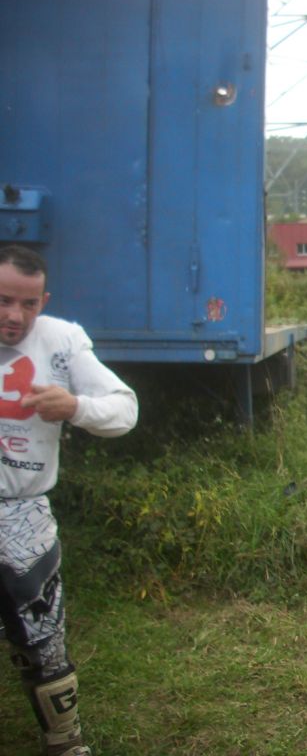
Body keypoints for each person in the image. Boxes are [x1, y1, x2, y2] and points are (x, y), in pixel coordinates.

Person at [0, 245, 138, 756]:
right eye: (3, 301)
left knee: (43, 641)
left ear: (44, 300)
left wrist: (76, 405)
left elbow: (125, 410)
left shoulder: (61, 341)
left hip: (24, 510)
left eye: (28, 303)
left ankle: (64, 741)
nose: (16, 316)